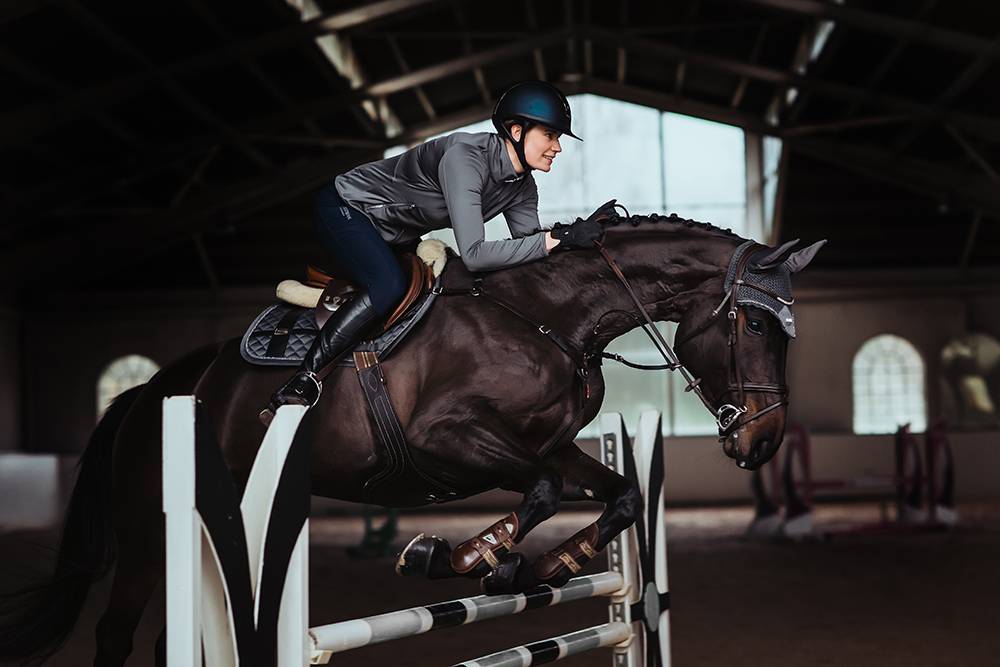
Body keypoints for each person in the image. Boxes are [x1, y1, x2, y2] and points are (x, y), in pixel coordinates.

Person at [260, 80, 611, 423]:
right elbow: (475, 254)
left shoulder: (522, 187)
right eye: (550, 136)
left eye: (558, 138)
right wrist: (553, 240)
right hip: (346, 209)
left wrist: (573, 240)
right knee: (388, 285)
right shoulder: (464, 158)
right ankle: (304, 379)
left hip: (395, 233)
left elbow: (530, 256)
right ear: (516, 131)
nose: (558, 148)